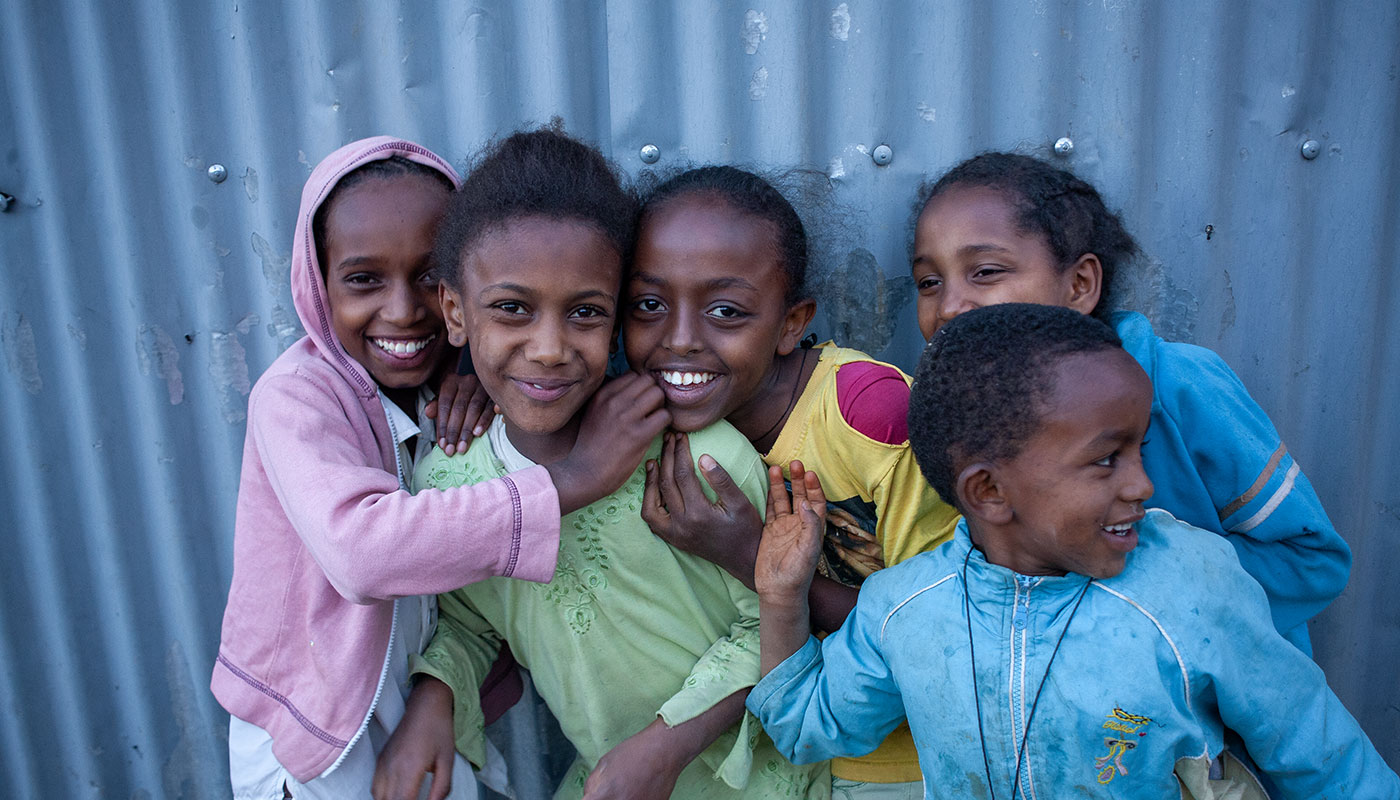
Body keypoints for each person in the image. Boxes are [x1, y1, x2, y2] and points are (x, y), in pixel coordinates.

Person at [748, 303, 1399, 799]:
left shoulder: (1191, 583)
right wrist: (781, 594)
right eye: (1106, 459)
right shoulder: (905, 608)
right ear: (990, 492)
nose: (1143, 485)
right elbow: (813, 728)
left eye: (1139, 450)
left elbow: (1318, 751)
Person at [376, 127, 827, 800]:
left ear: (615, 318)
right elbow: (473, 619)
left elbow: (776, 617)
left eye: (584, 312)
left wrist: (666, 742)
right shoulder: (448, 480)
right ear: (454, 311)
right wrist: (435, 696)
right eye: (512, 309)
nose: (551, 348)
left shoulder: (693, 456)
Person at [211, 136, 667, 799]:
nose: (402, 310)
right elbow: (362, 553)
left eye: (427, 276)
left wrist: (484, 375)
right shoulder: (296, 398)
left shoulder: (465, 389)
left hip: (427, 705)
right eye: (364, 279)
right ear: (318, 281)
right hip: (313, 740)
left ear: (459, 294)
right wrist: (571, 481)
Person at [908, 152, 1349, 653]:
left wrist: (1129, 574)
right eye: (929, 282)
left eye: (985, 271)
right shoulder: (962, 416)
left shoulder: (1181, 385)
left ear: (1079, 285)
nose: (949, 306)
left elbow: (1311, 561)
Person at [624, 166, 959, 796]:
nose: (681, 339)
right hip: (784, 759)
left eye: (726, 310)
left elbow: (947, 630)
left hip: (914, 763)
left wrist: (750, 557)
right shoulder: (645, 426)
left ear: (790, 322)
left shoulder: (868, 417)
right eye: (649, 305)